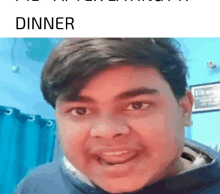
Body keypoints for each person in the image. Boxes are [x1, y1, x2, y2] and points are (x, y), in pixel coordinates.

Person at [14, 38, 220, 194]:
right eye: (80, 111)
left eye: (137, 105)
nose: (108, 131)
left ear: (184, 108)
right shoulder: (37, 186)